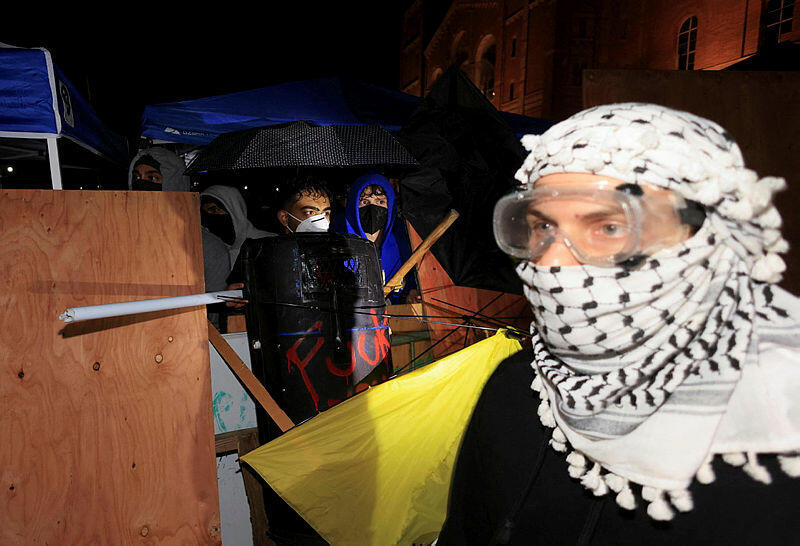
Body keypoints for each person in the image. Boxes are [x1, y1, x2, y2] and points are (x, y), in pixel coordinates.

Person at [439, 103, 800, 544]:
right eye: (541, 227)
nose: (552, 262)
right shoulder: (515, 390)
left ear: (709, 239)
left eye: (609, 227)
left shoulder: (780, 430)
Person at [334, 172, 420, 303]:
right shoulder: (338, 242)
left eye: (380, 201)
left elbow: (414, 276)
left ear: (390, 205)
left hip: (400, 318)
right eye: (364, 201)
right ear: (353, 206)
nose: (373, 208)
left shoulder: (403, 239)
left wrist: (412, 291)